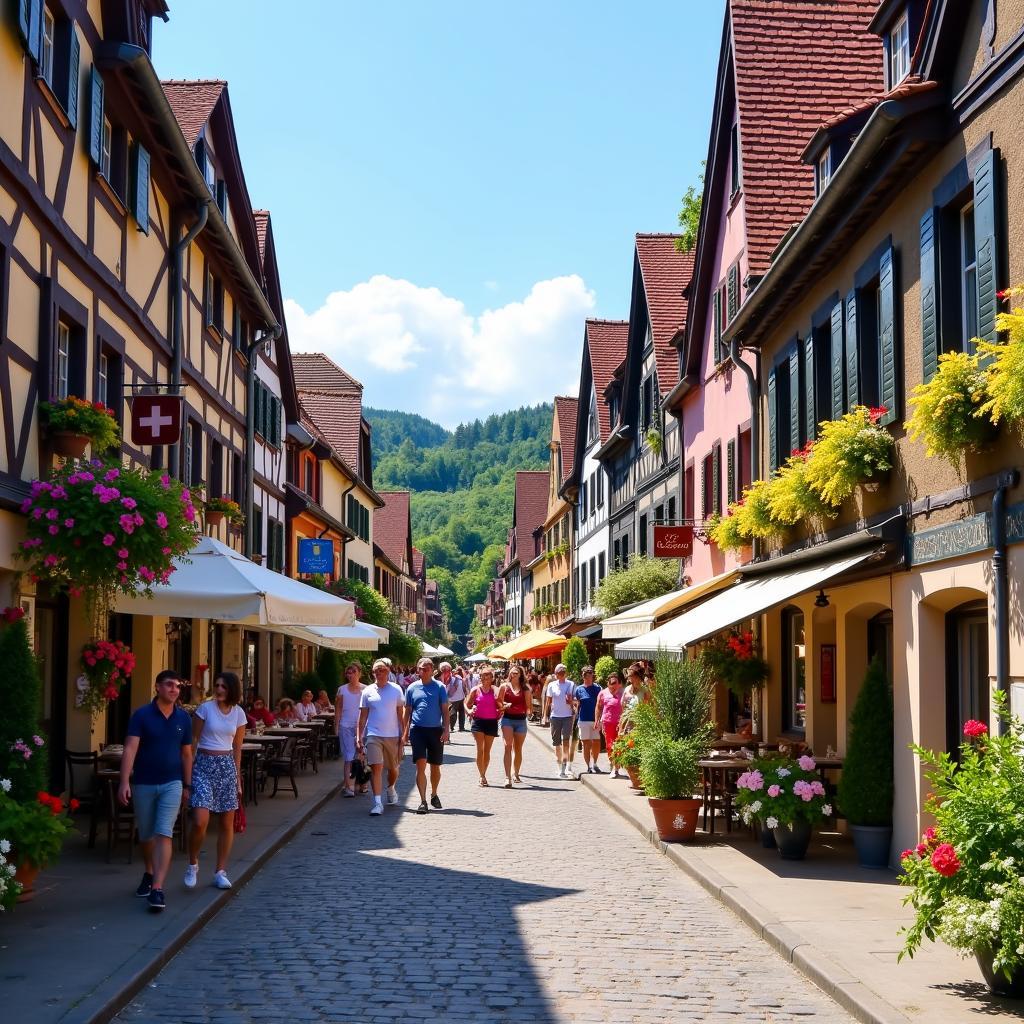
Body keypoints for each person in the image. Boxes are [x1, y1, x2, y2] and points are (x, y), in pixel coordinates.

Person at [118, 670, 193, 912]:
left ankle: (157, 888)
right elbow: (130, 749)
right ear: (158, 687)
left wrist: (187, 784)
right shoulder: (142, 715)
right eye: (170, 685)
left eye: (178, 686)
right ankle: (149, 872)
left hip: (172, 782)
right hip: (144, 782)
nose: (174, 690)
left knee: (164, 833)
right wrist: (124, 782)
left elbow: (186, 753)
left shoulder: (183, 718)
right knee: (147, 835)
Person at [184, 671, 247, 890]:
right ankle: (193, 863)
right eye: (217, 685)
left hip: (226, 767)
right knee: (200, 820)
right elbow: (192, 742)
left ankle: (220, 871)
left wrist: (238, 778)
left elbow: (237, 748)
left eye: (223, 687)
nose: (219, 690)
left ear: (232, 690)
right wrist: (188, 775)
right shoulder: (205, 709)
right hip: (203, 765)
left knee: (226, 822)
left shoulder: (239, 714)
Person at [356, 660, 407, 815]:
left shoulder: (396, 689)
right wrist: (359, 736)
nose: (378, 673)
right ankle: (377, 803)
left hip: (392, 735)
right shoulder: (367, 691)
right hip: (373, 735)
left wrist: (404, 734)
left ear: (388, 671)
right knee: (376, 767)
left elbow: (401, 714)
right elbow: (362, 716)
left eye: (381, 670)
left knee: (394, 769)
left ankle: (391, 788)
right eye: (375, 671)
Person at [403, 657, 449, 813]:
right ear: (417, 670)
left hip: (435, 730)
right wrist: (404, 732)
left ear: (432, 670)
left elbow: (444, 710)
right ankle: (423, 801)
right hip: (417, 730)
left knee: (435, 767)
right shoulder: (411, 688)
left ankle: (434, 794)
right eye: (421, 668)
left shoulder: (440, 687)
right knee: (420, 765)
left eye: (427, 668)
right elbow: (407, 711)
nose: (423, 671)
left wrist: (446, 729)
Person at [465, 667, 500, 786]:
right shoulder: (476, 690)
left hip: (491, 722)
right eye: (484, 675)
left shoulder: (495, 690)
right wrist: (469, 710)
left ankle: (483, 772)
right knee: (480, 749)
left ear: (492, 678)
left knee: (487, 751)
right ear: (480, 677)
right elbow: (466, 703)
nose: (486, 678)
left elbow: (500, 703)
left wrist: (502, 709)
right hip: (478, 722)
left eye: (488, 675)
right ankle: (482, 776)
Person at [335, 663, 366, 797]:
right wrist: (336, 725)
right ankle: (349, 786)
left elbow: (368, 709)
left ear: (359, 673)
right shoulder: (342, 690)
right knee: (348, 756)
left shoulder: (366, 689)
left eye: (353, 672)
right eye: (348, 672)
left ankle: (363, 784)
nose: (350, 675)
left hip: (362, 726)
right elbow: (338, 708)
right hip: (346, 725)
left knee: (361, 756)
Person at [498, 665, 530, 787]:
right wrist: (505, 704)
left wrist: (527, 711)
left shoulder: (525, 688)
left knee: (518, 749)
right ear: (509, 673)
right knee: (508, 746)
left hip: (521, 721)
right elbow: (498, 702)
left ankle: (516, 773)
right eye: (513, 672)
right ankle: (507, 777)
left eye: (517, 672)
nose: (514, 674)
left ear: (521, 674)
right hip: (507, 719)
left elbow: (529, 707)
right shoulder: (504, 687)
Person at [542, 663, 576, 779]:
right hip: (555, 716)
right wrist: (544, 716)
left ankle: (565, 766)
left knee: (566, 741)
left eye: (563, 673)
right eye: (559, 673)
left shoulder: (571, 684)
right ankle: (559, 765)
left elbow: (576, 701)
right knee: (556, 742)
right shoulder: (552, 685)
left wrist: (571, 702)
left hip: (567, 716)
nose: (561, 675)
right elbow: (548, 701)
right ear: (555, 674)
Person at [572, 666, 603, 774]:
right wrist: (573, 707)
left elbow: (601, 704)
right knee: (586, 743)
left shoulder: (598, 688)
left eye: (591, 676)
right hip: (584, 719)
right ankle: (588, 766)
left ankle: (595, 763)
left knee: (596, 742)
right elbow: (577, 704)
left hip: (595, 720)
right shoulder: (579, 689)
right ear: (583, 677)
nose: (590, 678)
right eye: (587, 676)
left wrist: (600, 719)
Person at [596, 672, 625, 777]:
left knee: (619, 745)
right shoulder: (603, 693)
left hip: (620, 723)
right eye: (610, 683)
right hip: (607, 723)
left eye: (614, 683)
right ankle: (613, 765)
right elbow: (598, 707)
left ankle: (615, 767)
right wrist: (597, 721)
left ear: (619, 684)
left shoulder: (623, 693)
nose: (612, 685)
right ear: (608, 684)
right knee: (609, 746)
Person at [442, 662, 467, 732]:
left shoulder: (455, 679)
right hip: (456, 698)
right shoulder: (457, 678)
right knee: (455, 713)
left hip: (457, 698)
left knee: (456, 713)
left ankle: (455, 727)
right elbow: (464, 686)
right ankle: (454, 727)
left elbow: (463, 686)